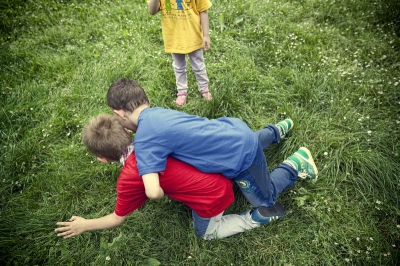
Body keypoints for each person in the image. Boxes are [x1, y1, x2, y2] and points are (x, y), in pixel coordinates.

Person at [106, 78, 319, 225]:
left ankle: (296, 163)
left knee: (266, 199)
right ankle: (276, 130)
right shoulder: (156, 113)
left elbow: (152, 192)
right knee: (245, 141)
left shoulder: (144, 141)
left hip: (240, 159)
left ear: (119, 114)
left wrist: (161, 189)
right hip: (232, 129)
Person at [55, 114, 287, 240]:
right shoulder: (152, 135)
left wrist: (85, 225)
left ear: (102, 159)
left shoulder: (130, 178)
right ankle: (274, 131)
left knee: (206, 234)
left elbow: (117, 218)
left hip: (214, 196)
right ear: (127, 131)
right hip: (224, 167)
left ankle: (255, 218)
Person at [147, 0, 213, 106]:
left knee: (198, 65)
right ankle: (182, 91)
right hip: (174, 36)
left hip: (193, 35)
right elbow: (152, 11)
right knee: (179, 67)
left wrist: (206, 35)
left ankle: (204, 88)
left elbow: (203, 10)